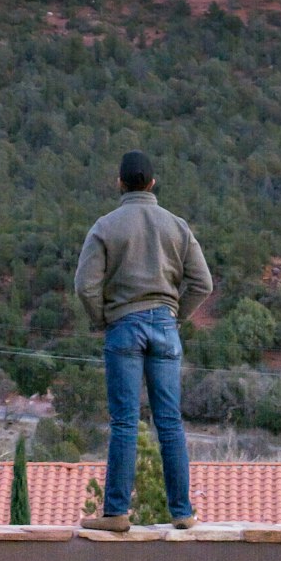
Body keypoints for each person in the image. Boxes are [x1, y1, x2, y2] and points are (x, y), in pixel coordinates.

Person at [74, 150, 213, 532]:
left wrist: (103, 319)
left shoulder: (105, 226)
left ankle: (116, 513)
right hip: (165, 327)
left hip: (123, 327)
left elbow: (85, 286)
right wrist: (175, 316)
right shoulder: (177, 226)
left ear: (119, 183)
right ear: (152, 183)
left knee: (125, 422)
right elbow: (203, 283)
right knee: (170, 422)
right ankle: (182, 513)